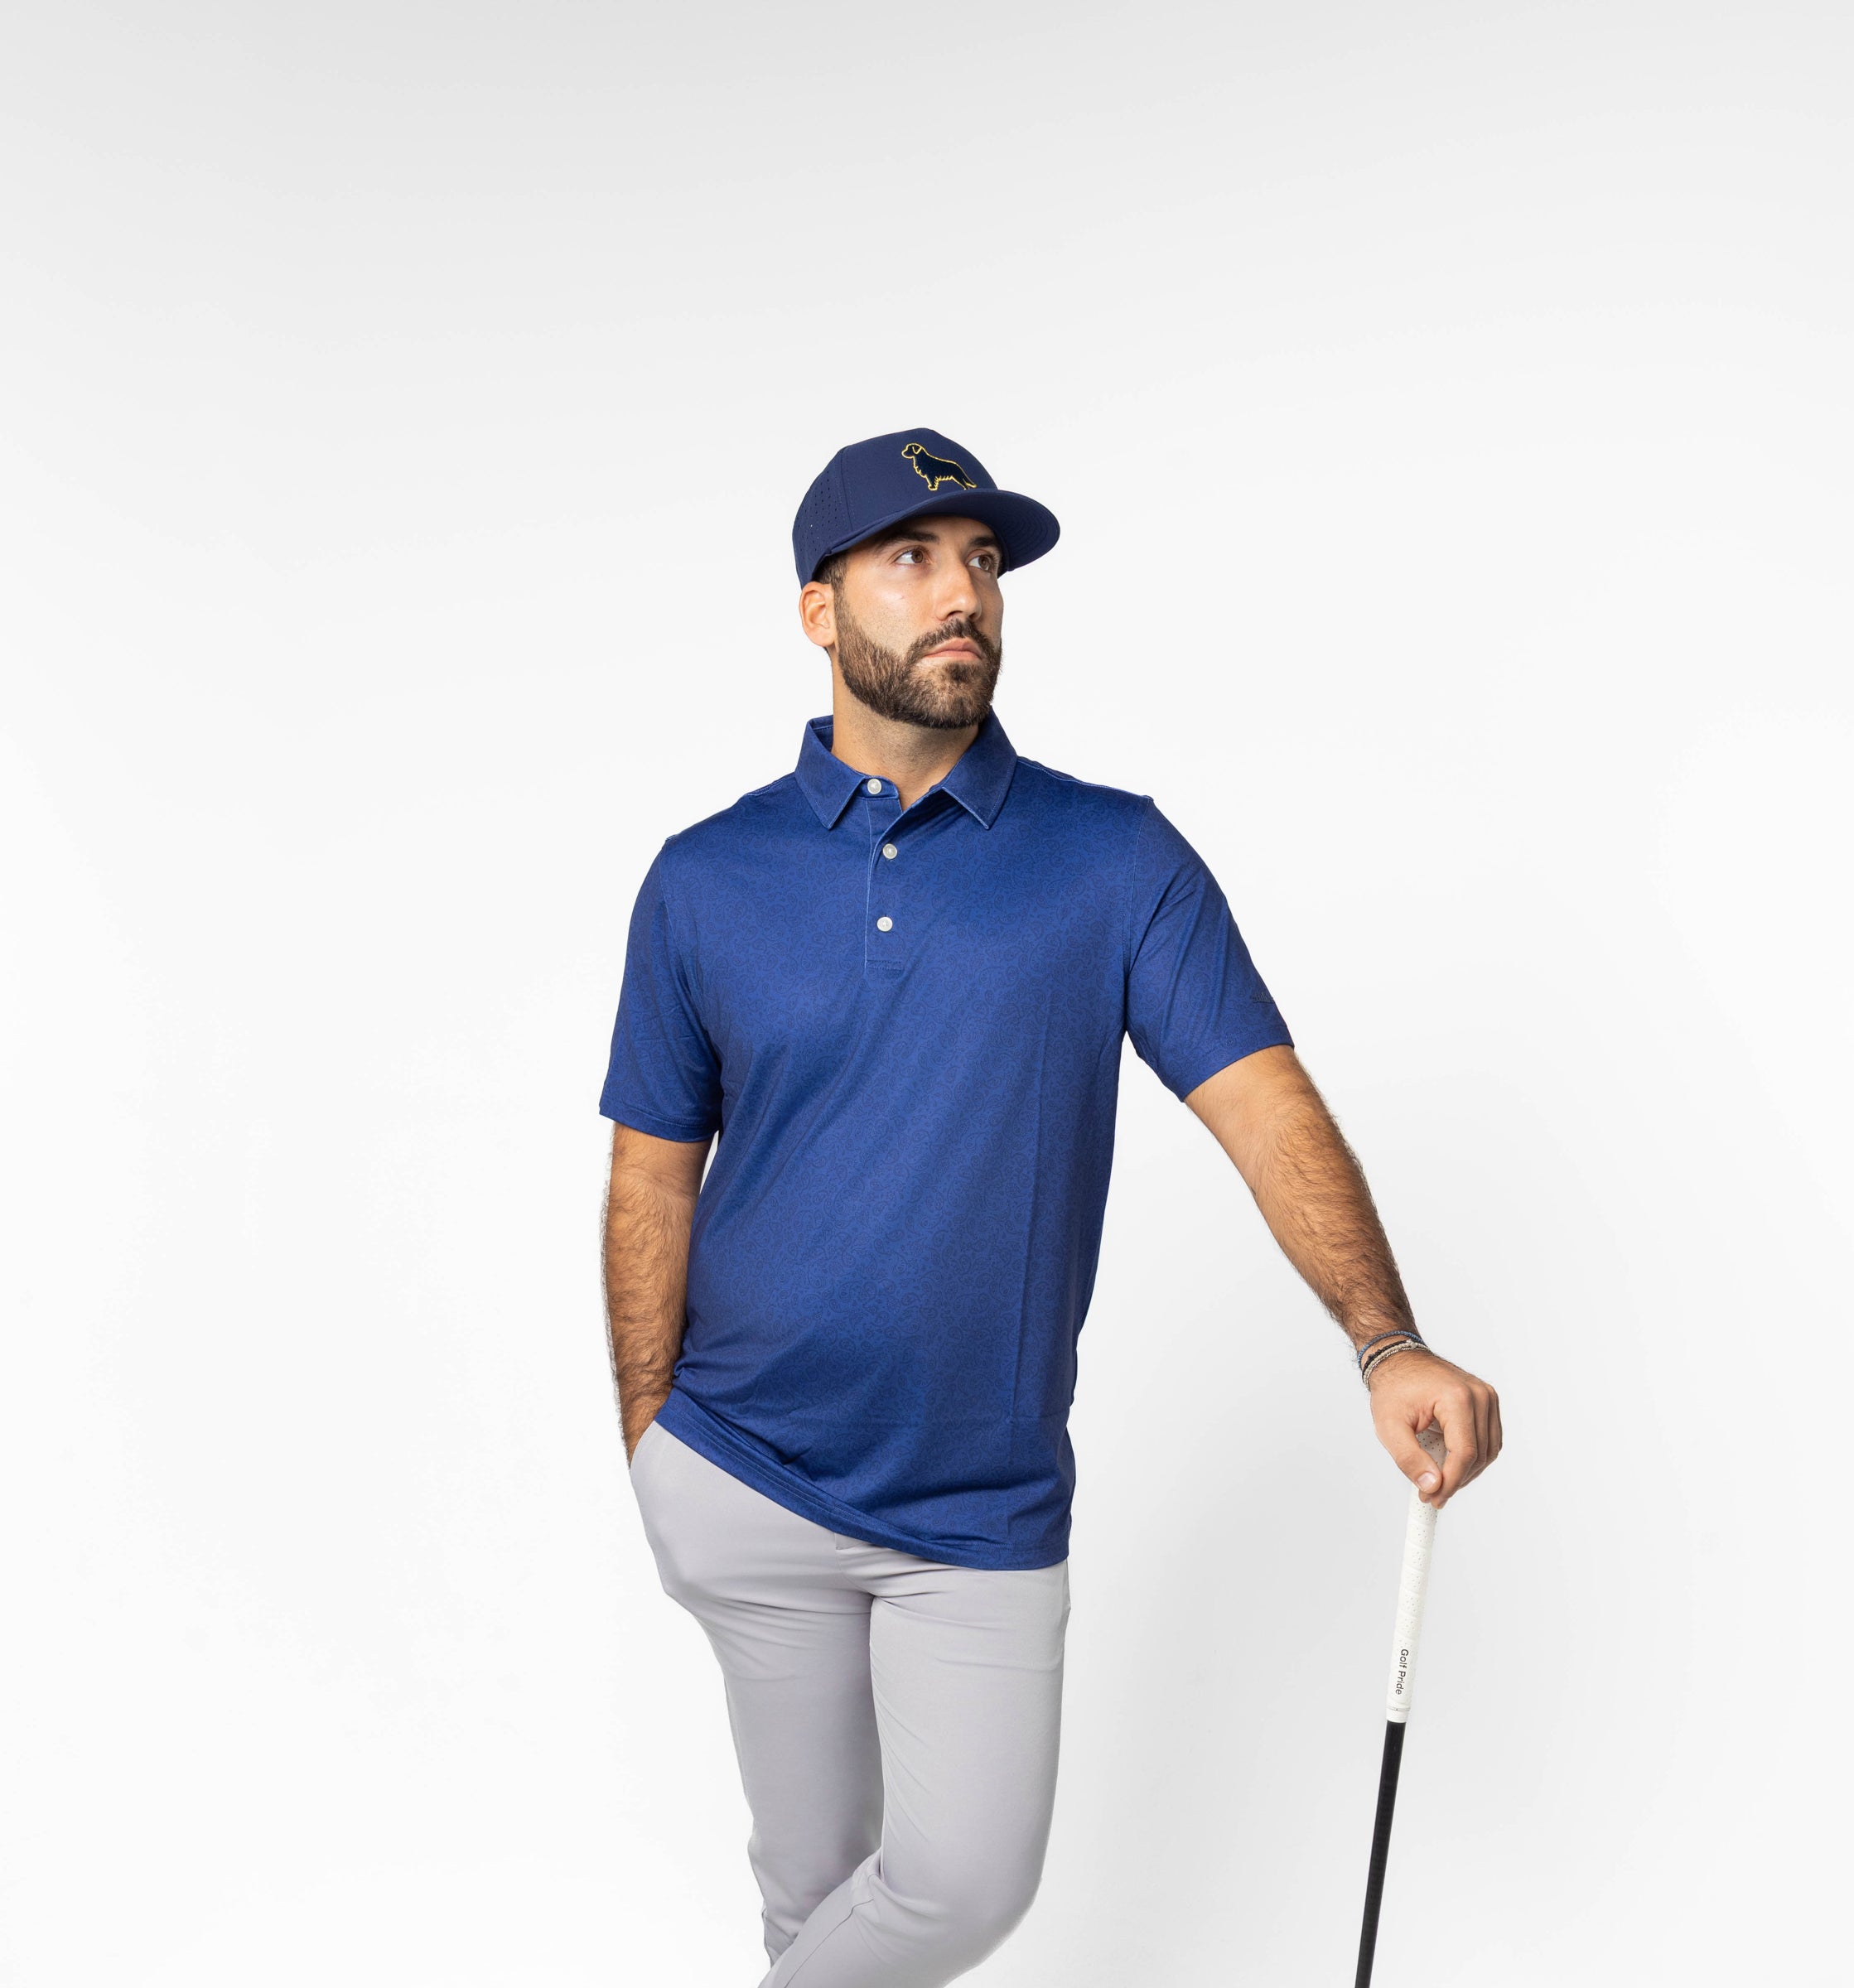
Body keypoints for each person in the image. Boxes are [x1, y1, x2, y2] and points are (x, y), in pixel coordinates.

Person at [599, 427, 1502, 1986]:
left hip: (980, 1511)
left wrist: (1384, 1339)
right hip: (744, 1469)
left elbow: (1264, 1107)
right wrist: (649, 1438)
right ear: (818, 611)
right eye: (911, 559)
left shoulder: (1113, 859)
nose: (963, 594)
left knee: (958, 1888)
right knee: (812, 1905)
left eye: (982, 563)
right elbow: (650, 1174)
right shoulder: (703, 878)